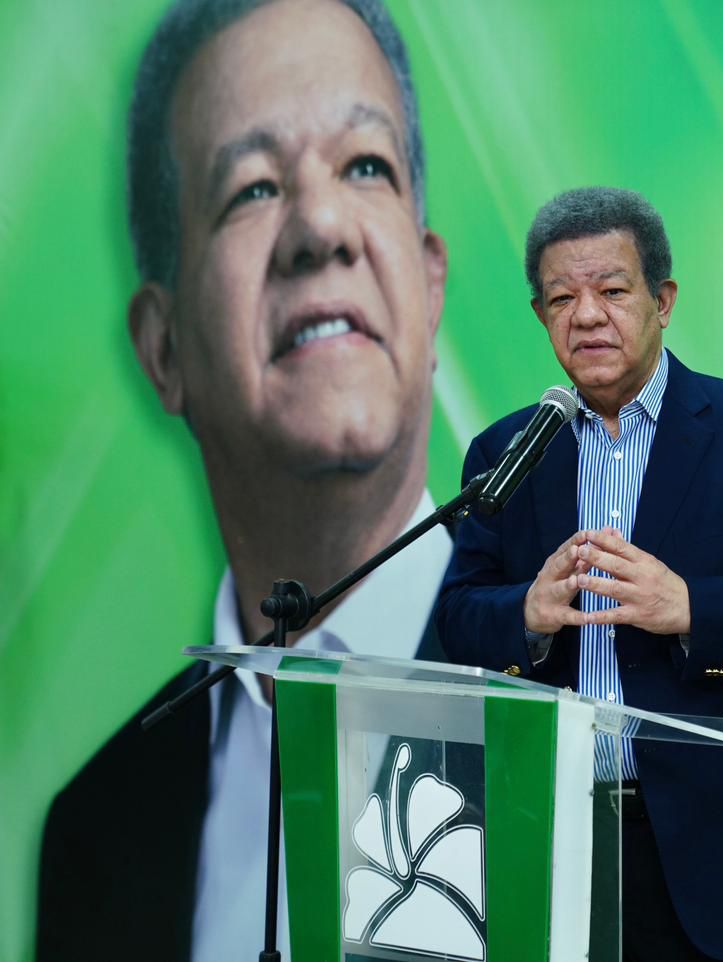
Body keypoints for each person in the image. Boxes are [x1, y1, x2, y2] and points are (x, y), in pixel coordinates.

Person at [36, 1, 450, 959]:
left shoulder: (621, 712)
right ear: (164, 348)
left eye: (365, 166)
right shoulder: (97, 834)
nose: (321, 226)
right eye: (253, 188)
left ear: (431, 289)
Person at [436, 187, 723, 962]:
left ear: (663, 301)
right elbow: (458, 616)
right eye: (562, 298)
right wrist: (526, 612)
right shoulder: (506, 453)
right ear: (539, 315)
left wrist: (691, 606)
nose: (587, 316)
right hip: (557, 841)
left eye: (612, 291)